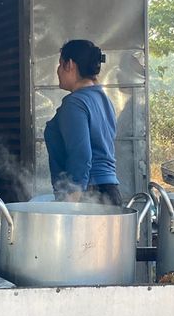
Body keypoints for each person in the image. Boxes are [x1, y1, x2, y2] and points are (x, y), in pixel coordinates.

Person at [44, 40, 122, 204]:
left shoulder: (75, 103)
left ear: (70, 64)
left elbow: (81, 155)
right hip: (109, 191)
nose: (58, 71)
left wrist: (71, 198)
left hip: (89, 194)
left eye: (60, 64)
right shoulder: (103, 99)